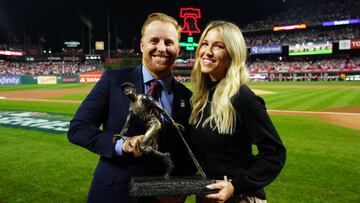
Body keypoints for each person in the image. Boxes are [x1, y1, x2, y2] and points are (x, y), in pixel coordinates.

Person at [67, 12, 195, 203]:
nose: (161, 48)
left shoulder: (188, 97)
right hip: (112, 194)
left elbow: (189, 152)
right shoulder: (113, 81)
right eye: (154, 41)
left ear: (178, 48)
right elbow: (77, 129)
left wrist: (182, 188)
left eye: (168, 42)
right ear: (142, 45)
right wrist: (121, 144)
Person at [188, 21, 286, 203]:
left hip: (240, 198)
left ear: (232, 54)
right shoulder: (201, 97)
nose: (207, 51)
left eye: (218, 46)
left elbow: (275, 154)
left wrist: (235, 185)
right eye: (205, 43)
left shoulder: (242, 97)